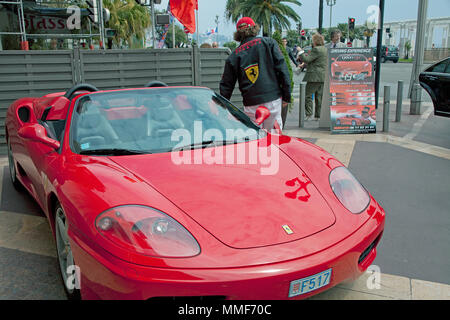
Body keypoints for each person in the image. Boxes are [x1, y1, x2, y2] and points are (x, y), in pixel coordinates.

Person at [219, 17, 291, 131]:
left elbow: (226, 86)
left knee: (255, 135)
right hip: (272, 98)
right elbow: (283, 70)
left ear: (238, 33)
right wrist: (287, 96)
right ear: (254, 28)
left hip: (251, 103)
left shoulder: (233, 56)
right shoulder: (268, 43)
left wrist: (222, 109)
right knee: (274, 136)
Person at [296, 33, 327, 120]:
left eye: (313, 40)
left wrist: (300, 51)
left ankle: (309, 114)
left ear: (315, 41)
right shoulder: (324, 49)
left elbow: (307, 59)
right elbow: (316, 61)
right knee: (319, 97)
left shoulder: (316, 49)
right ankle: (318, 115)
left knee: (308, 96)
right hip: (322, 76)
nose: (312, 42)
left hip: (314, 76)